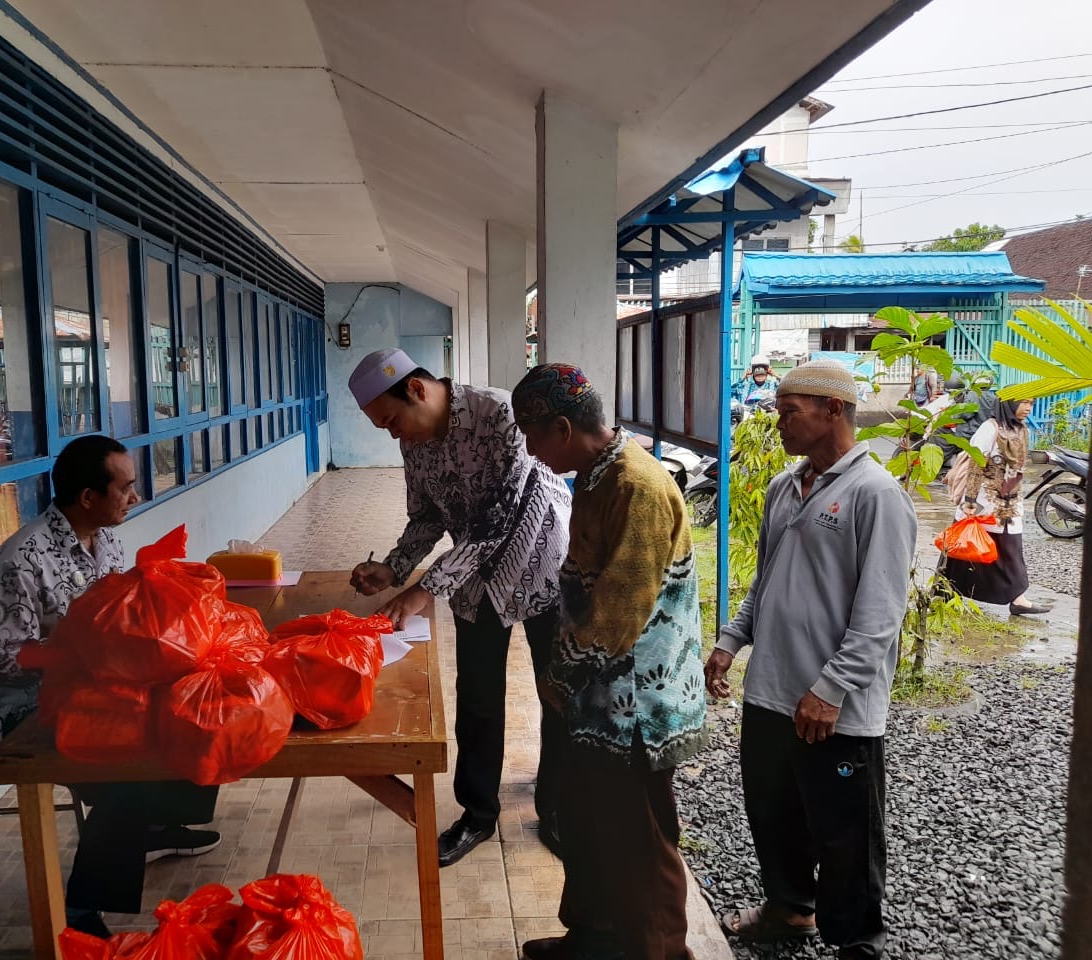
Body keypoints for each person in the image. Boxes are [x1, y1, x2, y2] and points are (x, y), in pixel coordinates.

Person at [704, 360, 918, 960]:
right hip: (771, 690)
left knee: (846, 831)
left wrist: (831, 688)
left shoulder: (876, 494)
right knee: (772, 812)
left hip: (834, 707)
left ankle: (857, 941)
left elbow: (880, 613)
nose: (778, 423)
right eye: (777, 411)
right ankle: (791, 908)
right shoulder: (783, 486)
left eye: (789, 411)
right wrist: (729, 641)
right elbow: (767, 580)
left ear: (832, 410)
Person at [0, 435, 222, 938]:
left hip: (96, 692)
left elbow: (122, 613)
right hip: (30, 710)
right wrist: (90, 657)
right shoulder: (19, 561)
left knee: (201, 703)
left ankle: (155, 825)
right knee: (129, 764)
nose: (135, 497)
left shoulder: (105, 538)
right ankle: (79, 911)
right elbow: (5, 662)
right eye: (126, 488)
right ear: (88, 497)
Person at [511, 363, 707, 960]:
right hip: (596, 697)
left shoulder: (636, 486)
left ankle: (661, 954)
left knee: (639, 842)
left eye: (532, 435)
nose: (529, 449)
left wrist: (560, 673)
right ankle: (593, 939)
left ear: (564, 427)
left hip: (637, 706)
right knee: (588, 823)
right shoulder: (596, 475)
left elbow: (619, 612)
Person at [346, 348, 571, 867]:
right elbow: (425, 515)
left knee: (559, 694)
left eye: (392, 420)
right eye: (383, 427)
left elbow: (503, 518)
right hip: (474, 584)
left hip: (541, 567)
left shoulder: (500, 415)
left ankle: (558, 808)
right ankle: (477, 815)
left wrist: (428, 588)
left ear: (418, 390)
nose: (393, 434)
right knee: (477, 701)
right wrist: (396, 567)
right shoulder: (416, 440)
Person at [943, 398, 1051, 616]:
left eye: (1031, 403)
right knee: (964, 548)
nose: (1028, 408)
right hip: (985, 500)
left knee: (1010, 548)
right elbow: (975, 463)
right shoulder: (989, 429)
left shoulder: (1021, 429)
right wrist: (970, 500)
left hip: (1010, 499)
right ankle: (946, 590)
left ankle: (1018, 597)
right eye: (1024, 403)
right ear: (1009, 404)